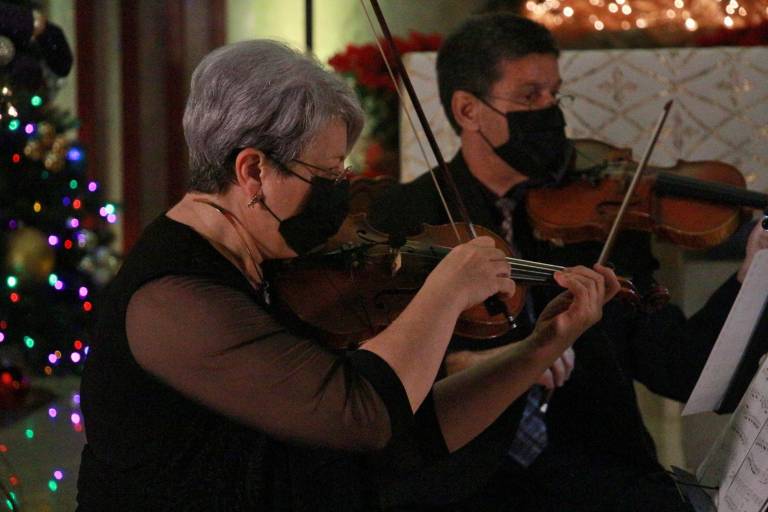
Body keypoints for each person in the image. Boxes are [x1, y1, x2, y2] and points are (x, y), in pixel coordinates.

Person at [75, 39, 620, 511]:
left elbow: (402, 437)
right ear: (252, 170)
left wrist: (539, 348)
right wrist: (447, 289)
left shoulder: (271, 266)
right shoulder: (173, 298)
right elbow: (362, 413)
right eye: (327, 172)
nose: (341, 189)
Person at [367, 13, 768, 512]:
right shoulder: (404, 218)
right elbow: (374, 382)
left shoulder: (599, 216)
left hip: (596, 470)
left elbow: (677, 366)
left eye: (555, 95)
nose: (550, 112)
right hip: (460, 479)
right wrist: (484, 363)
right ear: (468, 111)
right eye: (529, 96)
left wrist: (748, 279)